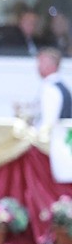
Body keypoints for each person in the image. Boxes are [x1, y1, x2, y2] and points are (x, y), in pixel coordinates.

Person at [36, 47, 72, 183]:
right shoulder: (61, 86)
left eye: (41, 63)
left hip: (53, 146)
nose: (38, 67)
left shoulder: (50, 88)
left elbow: (48, 122)